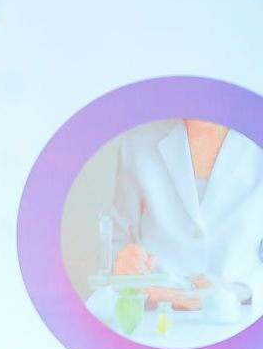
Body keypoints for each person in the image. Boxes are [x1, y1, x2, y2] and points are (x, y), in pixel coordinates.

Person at [106, 118, 263, 315]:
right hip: (157, 316)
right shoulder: (137, 145)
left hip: (242, 316)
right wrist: (128, 271)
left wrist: (240, 290)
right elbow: (116, 243)